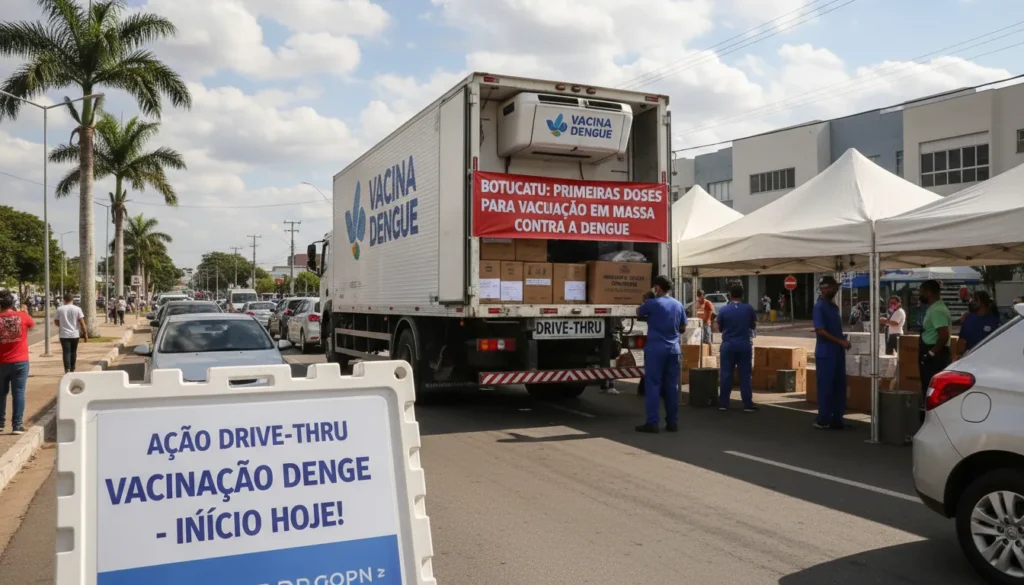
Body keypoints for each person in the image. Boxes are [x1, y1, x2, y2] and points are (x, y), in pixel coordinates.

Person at [634, 276, 685, 434]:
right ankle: (672, 422)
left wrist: (645, 299)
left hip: (656, 349)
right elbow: (682, 327)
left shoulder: (652, 303)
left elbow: (638, 312)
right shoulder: (678, 304)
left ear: (657, 288)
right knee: (671, 386)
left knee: (653, 385)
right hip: (673, 349)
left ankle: (652, 422)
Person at [812, 276, 851, 430]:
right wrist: (840, 341)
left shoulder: (834, 307)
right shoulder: (819, 307)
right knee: (826, 386)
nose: (836, 291)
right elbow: (820, 330)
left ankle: (837, 418)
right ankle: (823, 419)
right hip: (826, 352)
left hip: (837, 351)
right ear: (825, 288)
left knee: (839, 386)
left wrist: (843, 340)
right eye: (834, 288)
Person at [716, 282, 758, 412]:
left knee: (726, 374)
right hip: (744, 345)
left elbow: (720, 328)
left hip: (728, 345)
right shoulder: (749, 309)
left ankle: (723, 403)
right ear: (742, 295)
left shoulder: (723, 309)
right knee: (745, 375)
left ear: (729, 295)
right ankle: (747, 404)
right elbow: (753, 325)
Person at [0, 292, 35, 434]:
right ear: (12, 304)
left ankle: (0, 423)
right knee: (18, 392)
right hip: (20, 360)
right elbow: (31, 325)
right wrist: (25, 311)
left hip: (1, 361)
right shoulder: (22, 316)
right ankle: (17, 425)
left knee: (1, 393)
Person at [918, 280, 952, 410]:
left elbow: (944, 335)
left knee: (933, 390)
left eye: (921, 292)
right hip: (932, 352)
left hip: (936, 355)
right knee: (927, 387)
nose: (920, 295)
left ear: (929, 292)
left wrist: (932, 353)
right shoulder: (934, 308)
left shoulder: (937, 310)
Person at [55, 293, 87, 374]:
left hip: (64, 335)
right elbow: (82, 323)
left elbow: (56, 321)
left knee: (66, 352)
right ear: (72, 300)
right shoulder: (77, 309)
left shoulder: (60, 309)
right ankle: (72, 369)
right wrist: (85, 334)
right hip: (74, 334)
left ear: (64, 300)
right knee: (73, 352)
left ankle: (67, 369)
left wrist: (62, 325)